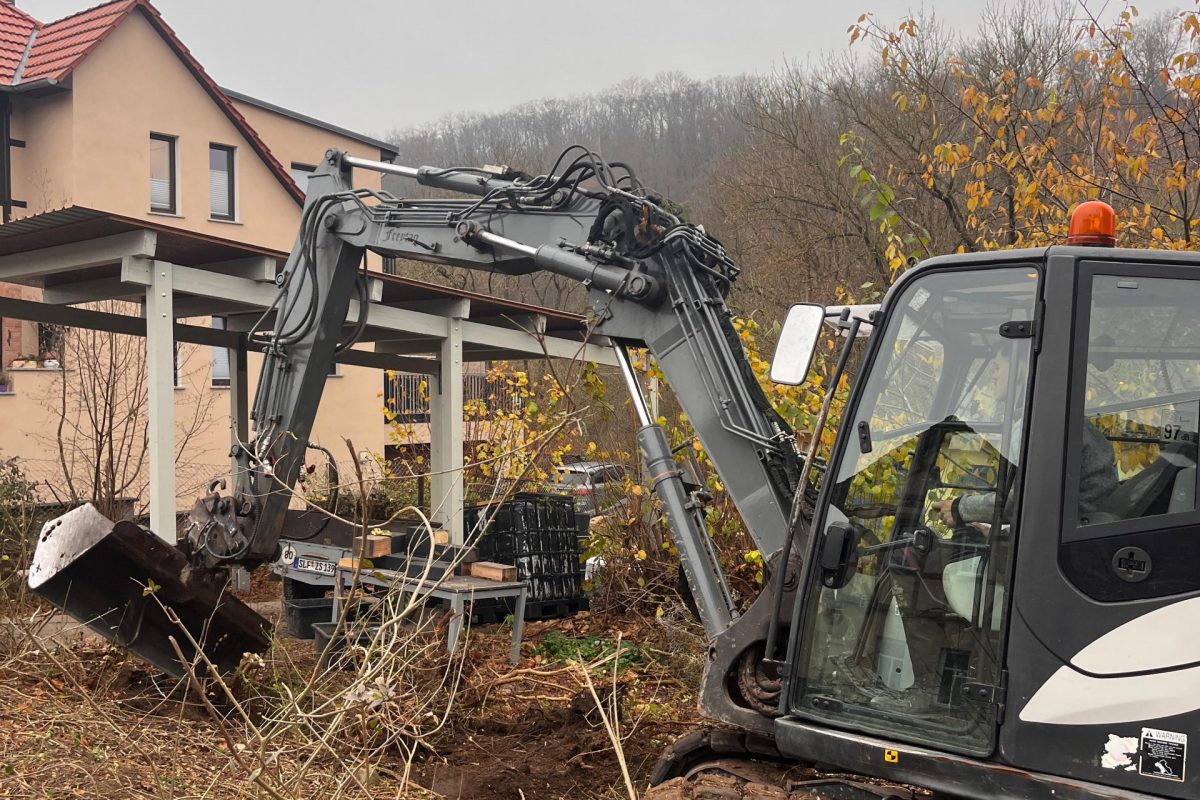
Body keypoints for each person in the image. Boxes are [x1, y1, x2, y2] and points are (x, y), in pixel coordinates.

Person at [931, 419, 1118, 528]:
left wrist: (960, 508)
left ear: (1021, 364)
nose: (993, 375)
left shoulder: (1037, 424)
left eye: (997, 366)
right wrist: (1003, 534)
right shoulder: (1063, 419)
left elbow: (1026, 502)